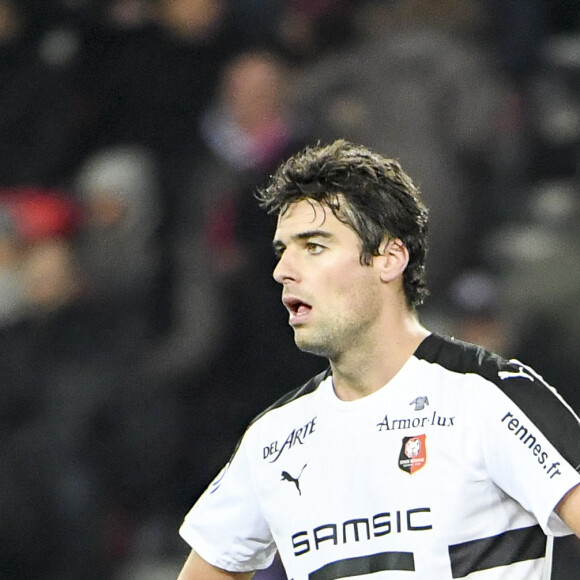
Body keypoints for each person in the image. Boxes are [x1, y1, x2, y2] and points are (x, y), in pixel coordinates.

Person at [176, 140, 580, 579]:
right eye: (282, 250)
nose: (283, 270)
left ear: (389, 259)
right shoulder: (273, 441)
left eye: (313, 246)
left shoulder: (484, 397)